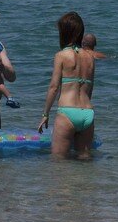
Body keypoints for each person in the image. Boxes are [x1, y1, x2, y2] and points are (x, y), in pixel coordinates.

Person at [38, 12, 97, 160]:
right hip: (87, 113)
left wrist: (45, 114)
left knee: (59, 163)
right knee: (85, 162)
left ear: (64, 33)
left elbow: (54, 87)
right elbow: (90, 89)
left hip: (67, 112)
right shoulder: (90, 57)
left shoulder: (61, 56)